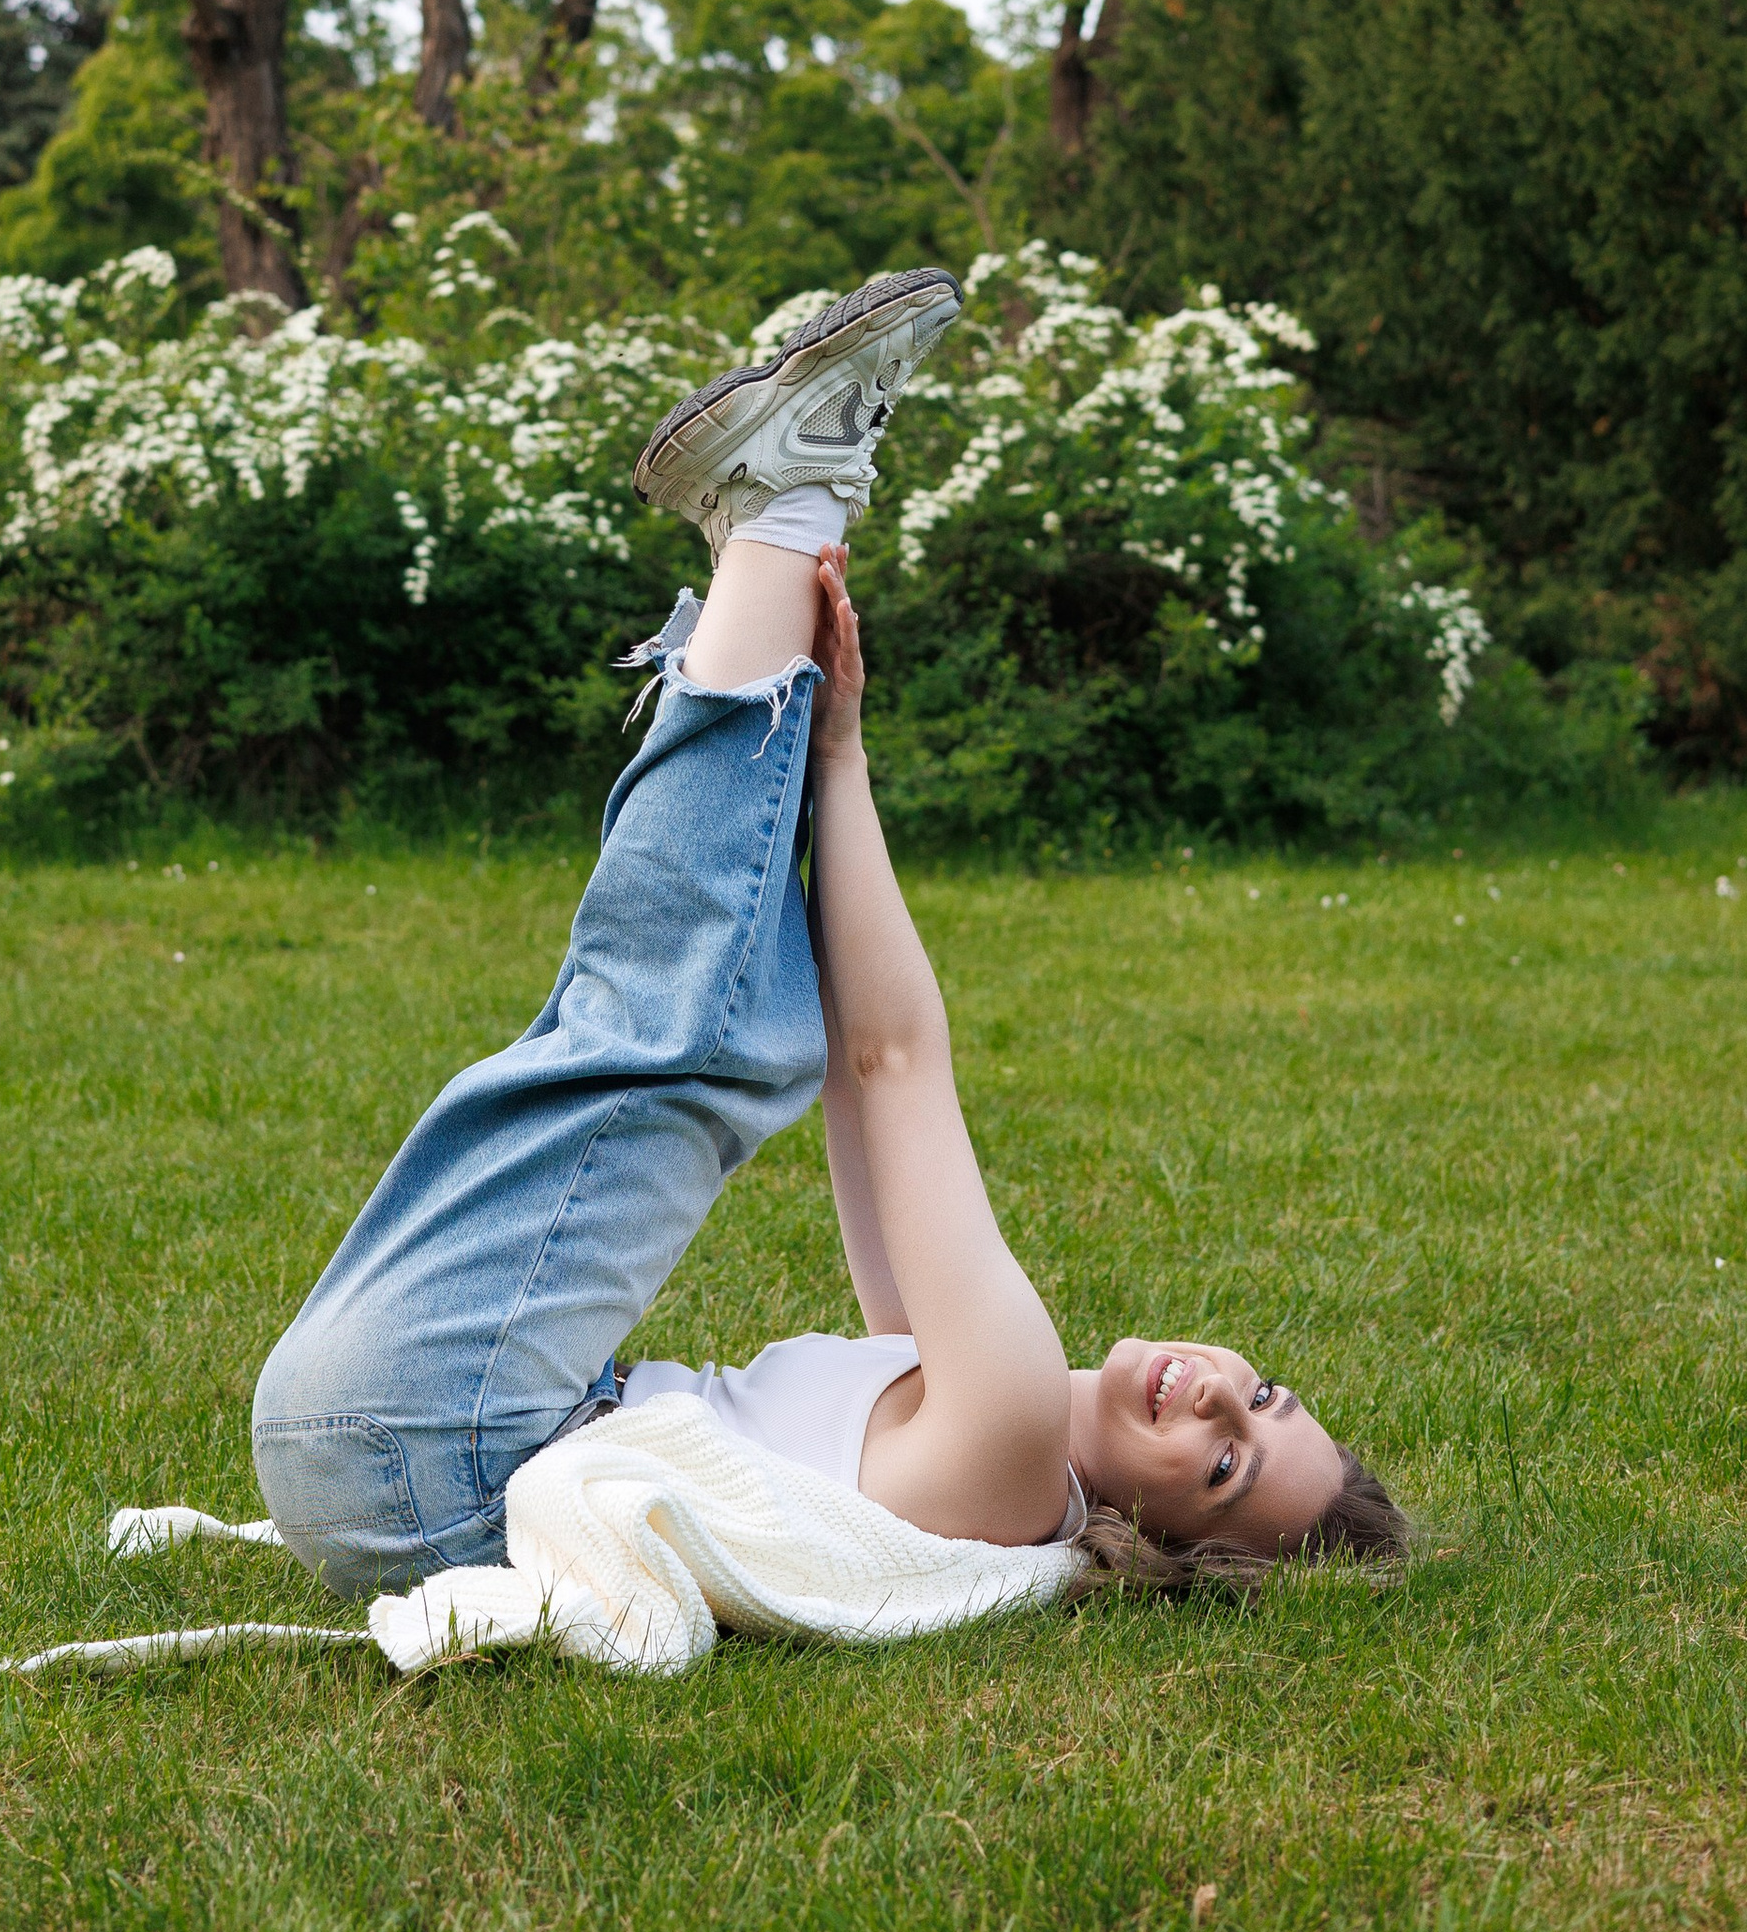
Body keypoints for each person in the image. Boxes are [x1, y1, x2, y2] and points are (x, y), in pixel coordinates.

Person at [251, 267, 1407, 1599]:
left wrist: (812, 727)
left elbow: (898, 1066)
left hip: (439, 1446)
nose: (1214, 1402)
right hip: (407, 1452)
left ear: (1160, 1538)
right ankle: (771, 528)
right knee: (713, 1023)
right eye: (1264, 1396)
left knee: (686, 1037)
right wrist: (832, 754)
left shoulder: (1015, 1444)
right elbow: (871, 1074)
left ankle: (784, 505)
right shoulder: (973, 1414)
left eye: (1222, 1468)